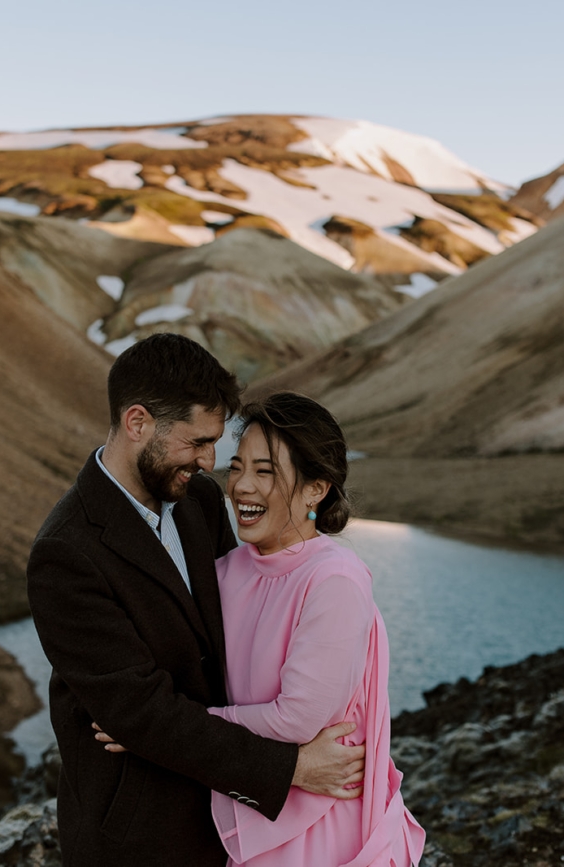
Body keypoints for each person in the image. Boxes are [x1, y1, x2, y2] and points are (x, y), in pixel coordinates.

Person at [27, 335, 366, 867]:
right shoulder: (65, 554)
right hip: (138, 836)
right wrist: (291, 768)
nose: (211, 462)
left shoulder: (197, 502)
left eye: (216, 443)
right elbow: (141, 713)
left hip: (226, 819)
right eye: (197, 441)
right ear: (138, 423)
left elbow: (240, 628)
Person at [98, 391, 426, 866]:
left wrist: (160, 732)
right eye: (236, 468)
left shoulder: (333, 578)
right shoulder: (226, 571)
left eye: (265, 471)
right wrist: (157, 722)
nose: (242, 487)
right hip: (255, 804)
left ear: (317, 488)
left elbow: (296, 719)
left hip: (322, 828)